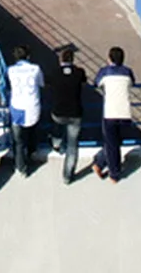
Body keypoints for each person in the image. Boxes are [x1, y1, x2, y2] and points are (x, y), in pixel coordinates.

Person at [91, 47, 135, 182]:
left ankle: (112, 173)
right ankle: (101, 163)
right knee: (117, 142)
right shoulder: (127, 72)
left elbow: (96, 83)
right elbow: (132, 83)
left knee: (112, 144)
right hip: (125, 112)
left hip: (110, 112)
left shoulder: (105, 72)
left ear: (109, 58)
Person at [49, 48, 86, 184]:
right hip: (75, 113)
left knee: (56, 127)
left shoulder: (55, 73)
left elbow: (48, 82)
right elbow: (83, 80)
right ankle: (67, 175)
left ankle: (56, 144)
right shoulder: (79, 72)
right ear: (72, 60)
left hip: (58, 112)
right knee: (73, 145)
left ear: (60, 60)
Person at [6, 45, 43, 178]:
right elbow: (41, 84)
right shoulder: (36, 68)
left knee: (18, 140)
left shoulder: (10, 70)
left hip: (17, 107)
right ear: (28, 56)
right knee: (33, 128)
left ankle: (21, 168)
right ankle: (32, 151)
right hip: (32, 105)